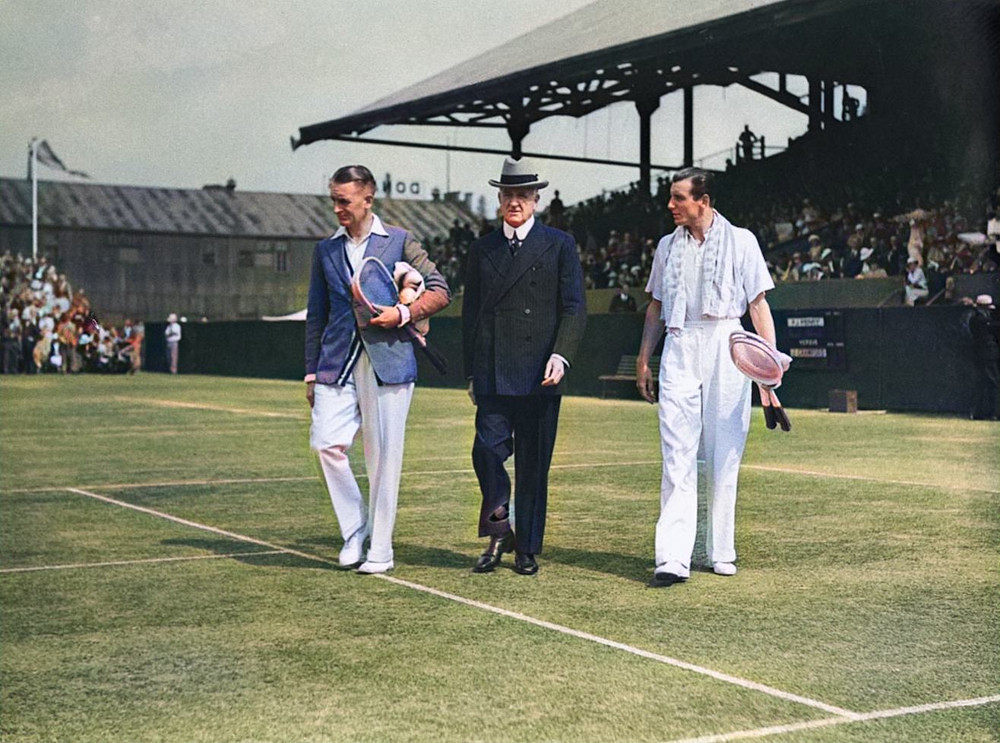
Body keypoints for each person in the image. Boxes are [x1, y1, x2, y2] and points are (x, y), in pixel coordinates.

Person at [635, 167, 778, 587]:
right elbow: (655, 308)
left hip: (727, 341)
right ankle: (673, 557)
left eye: (679, 197)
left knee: (725, 449)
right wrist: (646, 359)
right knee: (676, 451)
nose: (670, 205)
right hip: (680, 343)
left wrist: (769, 369)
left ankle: (720, 550)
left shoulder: (742, 240)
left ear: (704, 200)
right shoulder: (666, 246)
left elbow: (758, 307)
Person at [305, 164, 450, 574]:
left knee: (384, 457)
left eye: (344, 201)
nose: (337, 209)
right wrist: (312, 372)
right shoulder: (325, 250)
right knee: (325, 444)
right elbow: (317, 315)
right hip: (337, 362)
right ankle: (355, 528)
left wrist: (402, 312)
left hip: (390, 361)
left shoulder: (401, 241)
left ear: (367, 199)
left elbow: (440, 290)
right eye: (333, 200)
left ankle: (380, 551)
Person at [462, 157, 587, 576]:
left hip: (540, 373)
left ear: (536, 200)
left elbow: (573, 308)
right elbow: (472, 315)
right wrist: (471, 374)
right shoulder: (482, 250)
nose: (514, 202)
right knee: (486, 452)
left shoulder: (559, 244)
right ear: (499, 200)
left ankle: (526, 548)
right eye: (507, 195)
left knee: (534, 465)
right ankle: (500, 530)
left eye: (522, 195)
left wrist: (561, 354)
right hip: (494, 373)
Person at [965, 294, 999, 420]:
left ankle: (982, 412)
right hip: (986, 355)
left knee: (984, 383)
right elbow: (991, 327)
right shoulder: (979, 320)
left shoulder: (980, 319)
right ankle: (991, 413)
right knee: (991, 383)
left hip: (985, 355)